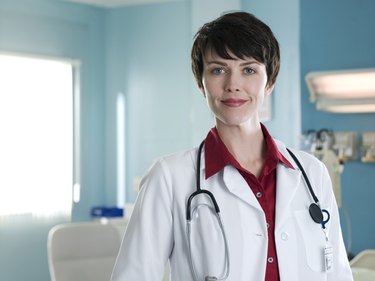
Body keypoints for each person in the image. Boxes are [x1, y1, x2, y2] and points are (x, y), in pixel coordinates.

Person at [111, 11, 353, 281]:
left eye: (248, 70)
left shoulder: (312, 173)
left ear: (270, 81)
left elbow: (338, 275)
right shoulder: (168, 178)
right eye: (218, 70)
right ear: (201, 84)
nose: (233, 85)